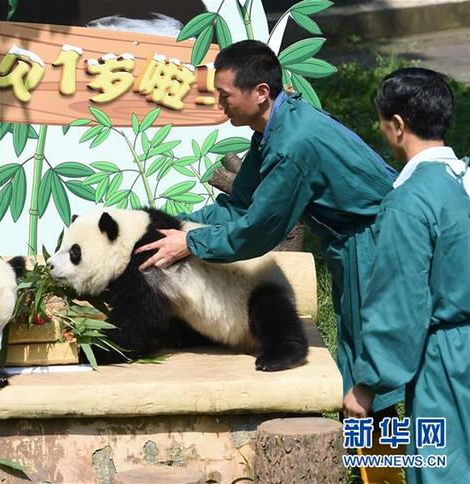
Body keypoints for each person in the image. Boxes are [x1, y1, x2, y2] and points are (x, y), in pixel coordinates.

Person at [135, 40, 404, 413]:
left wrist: (191, 243)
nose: (220, 104)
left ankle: (385, 462)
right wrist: (172, 224)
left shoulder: (292, 146)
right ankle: (370, 460)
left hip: (378, 241)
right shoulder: (274, 128)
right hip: (354, 240)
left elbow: (259, 230)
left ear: (261, 92)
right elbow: (239, 204)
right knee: (358, 354)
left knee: (371, 369)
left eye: (225, 95)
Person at [343, 67, 470, 482]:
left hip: (447, 360)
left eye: (381, 123)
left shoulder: (410, 202)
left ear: (397, 126)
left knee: (444, 470)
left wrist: (368, 382)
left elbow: (400, 305)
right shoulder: (465, 179)